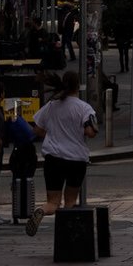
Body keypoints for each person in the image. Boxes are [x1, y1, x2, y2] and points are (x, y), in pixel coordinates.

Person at [25, 70, 97, 235]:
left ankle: (42, 210)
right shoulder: (84, 108)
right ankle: (66, 234)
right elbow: (91, 132)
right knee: (70, 202)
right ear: (78, 86)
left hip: (53, 159)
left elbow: (36, 129)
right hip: (76, 160)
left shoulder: (51, 105)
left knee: (53, 202)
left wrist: (51, 134)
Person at [0, 96, 37, 228]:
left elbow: (6, 139)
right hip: (28, 154)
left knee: (17, 181)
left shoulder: (12, 122)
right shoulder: (20, 121)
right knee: (27, 180)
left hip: (19, 154)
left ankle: (17, 214)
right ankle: (27, 211)